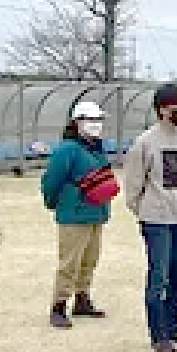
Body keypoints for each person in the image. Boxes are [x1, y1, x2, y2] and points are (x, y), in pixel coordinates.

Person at [124, 83, 177, 352]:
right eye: (175, 106)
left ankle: (172, 325)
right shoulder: (146, 141)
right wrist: (143, 209)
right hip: (156, 219)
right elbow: (133, 183)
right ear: (162, 110)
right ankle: (157, 334)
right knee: (159, 276)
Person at [40, 100, 113, 329]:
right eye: (90, 120)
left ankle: (82, 297)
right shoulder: (67, 149)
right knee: (69, 261)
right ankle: (59, 305)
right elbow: (52, 181)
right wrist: (55, 203)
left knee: (90, 259)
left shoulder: (96, 148)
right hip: (74, 213)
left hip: (95, 212)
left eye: (98, 120)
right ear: (77, 122)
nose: (95, 124)